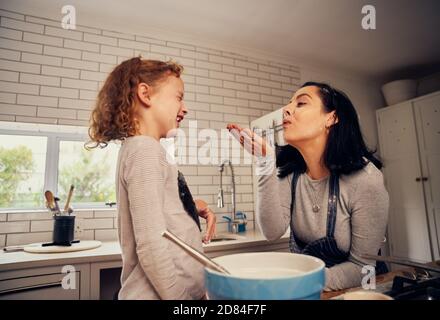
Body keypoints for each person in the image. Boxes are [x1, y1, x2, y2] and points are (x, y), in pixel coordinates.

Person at [228, 82, 389, 291]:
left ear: (331, 118)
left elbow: (363, 268)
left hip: (362, 291)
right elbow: (272, 231)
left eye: (301, 103)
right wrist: (264, 163)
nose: (286, 109)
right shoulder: (291, 172)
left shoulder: (365, 179)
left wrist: (299, 282)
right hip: (313, 290)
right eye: (288, 104)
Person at [86, 57, 216, 299]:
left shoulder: (145, 149)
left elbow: (160, 210)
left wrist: (191, 206)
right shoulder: (145, 150)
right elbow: (151, 243)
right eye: (178, 96)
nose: (184, 107)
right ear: (145, 94)